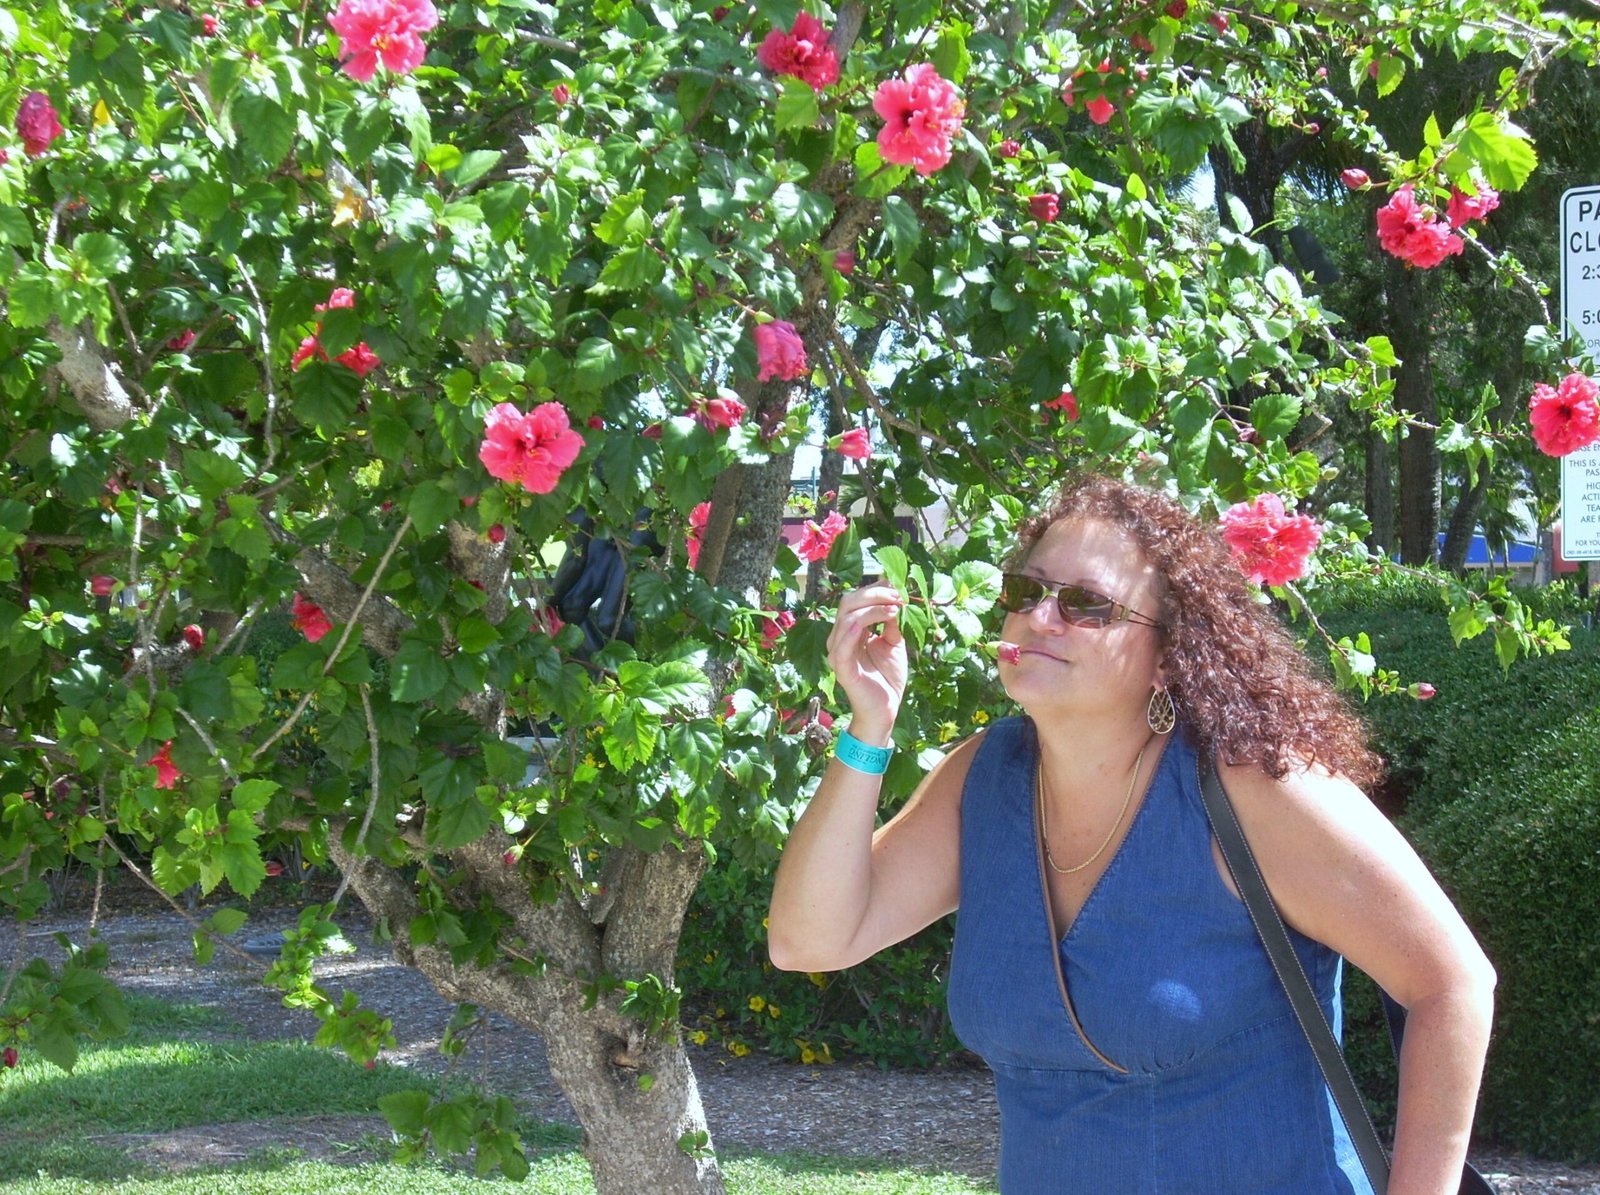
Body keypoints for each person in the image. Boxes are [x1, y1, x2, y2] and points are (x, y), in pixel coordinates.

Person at [768, 472, 1496, 1194]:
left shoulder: (1255, 788)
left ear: (1168, 656)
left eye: (1087, 604)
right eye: (1027, 591)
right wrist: (871, 725)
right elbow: (809, 939)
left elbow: (1451, 981)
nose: (1041, 617)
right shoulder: (983, 780)